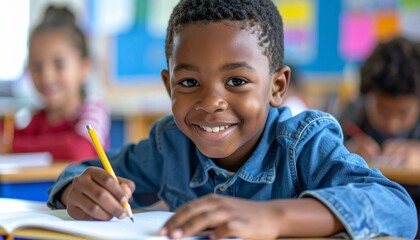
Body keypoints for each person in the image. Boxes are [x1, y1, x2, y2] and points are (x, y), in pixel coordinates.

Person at [48, 0, 417, 239]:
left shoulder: (304, 143)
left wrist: (275, 219)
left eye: (237, 81)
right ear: (169, 86)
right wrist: (75, 189)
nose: (210, 102)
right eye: (189, 82)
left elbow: (397, 208)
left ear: (277, 86)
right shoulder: (170, 144)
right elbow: (84, 170)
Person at [0, 6, 110, 162]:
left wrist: (12, 147)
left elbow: (78, 149)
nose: (47, 77)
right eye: (36, 67)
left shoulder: (93, 109)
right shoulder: (36, 119)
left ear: (84, 67)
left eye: (59, 64)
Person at [339, 36, 420, 238]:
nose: (392, 124)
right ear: (367, 96)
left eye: (403, 113)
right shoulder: (351, 116)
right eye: (382, 110)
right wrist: (345, 152)